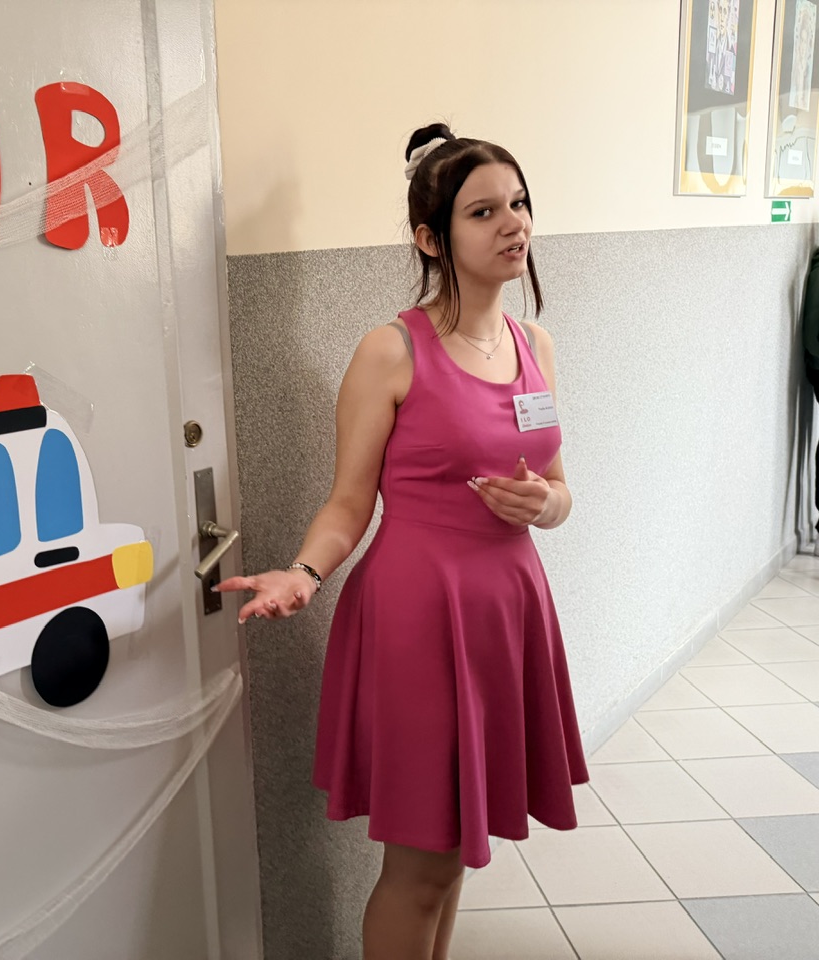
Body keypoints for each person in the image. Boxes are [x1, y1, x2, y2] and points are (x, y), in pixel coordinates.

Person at [216, 123, 589, 960]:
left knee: (452, 860)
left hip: (505, 611)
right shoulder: (391, 350)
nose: (513, 224)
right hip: (420, 618)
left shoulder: (535, 345)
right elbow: (349, 503)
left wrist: (545, 505)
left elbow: (560, 488)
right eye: (483, 211)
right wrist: (304, 572)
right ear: (431, 239)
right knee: (421, 867)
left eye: (519, 203)